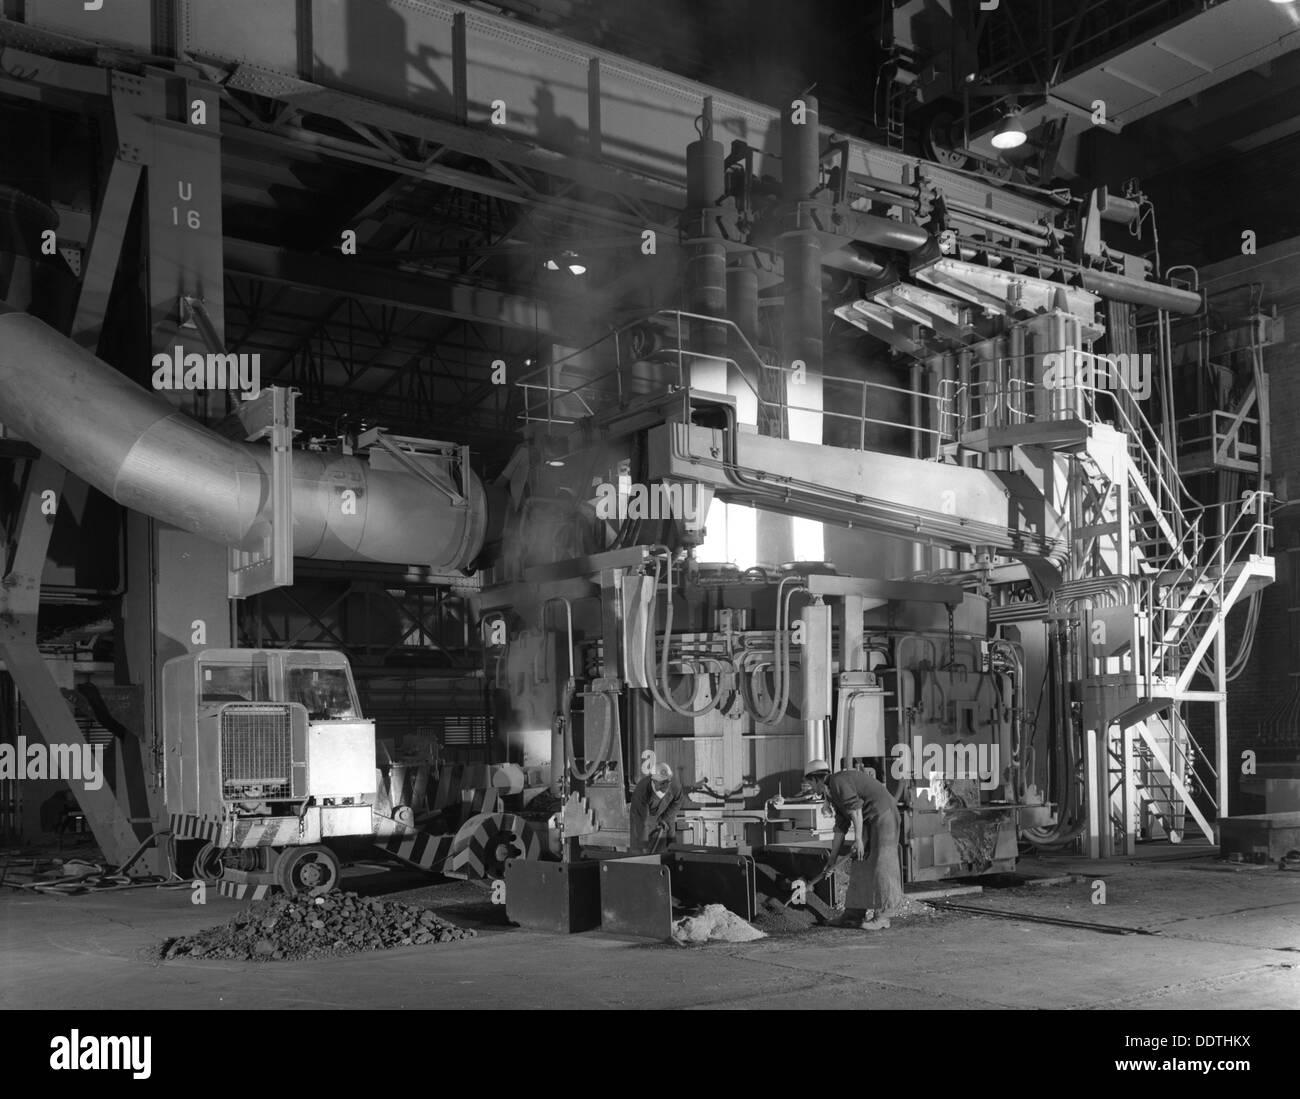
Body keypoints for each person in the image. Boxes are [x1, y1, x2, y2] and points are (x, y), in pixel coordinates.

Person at [802, 759, 904, 930]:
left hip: (884, 815)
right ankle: (853, 915)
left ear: (816, 778)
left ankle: (883, 917)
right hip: (869, 820)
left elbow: (855, 810)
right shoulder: (832, 793)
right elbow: (841, 827)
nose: (811, 788)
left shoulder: (837, 782)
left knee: (882, 863)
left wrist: (858, 839)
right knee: (860, 862)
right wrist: (832, 860)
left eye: (810, 783)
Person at [628, 761, 684, 853]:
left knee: (671, 839)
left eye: (668, 782)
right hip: (643, 816)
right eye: (662, 783)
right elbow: (642, 822)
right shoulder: (642, 792)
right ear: (654, 781)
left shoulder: (674, 786)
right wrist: (644, 848)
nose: (666, 786)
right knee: (641, 848)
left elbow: (677, 802)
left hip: (664, 811)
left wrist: (664, 818)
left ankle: (672, 858)